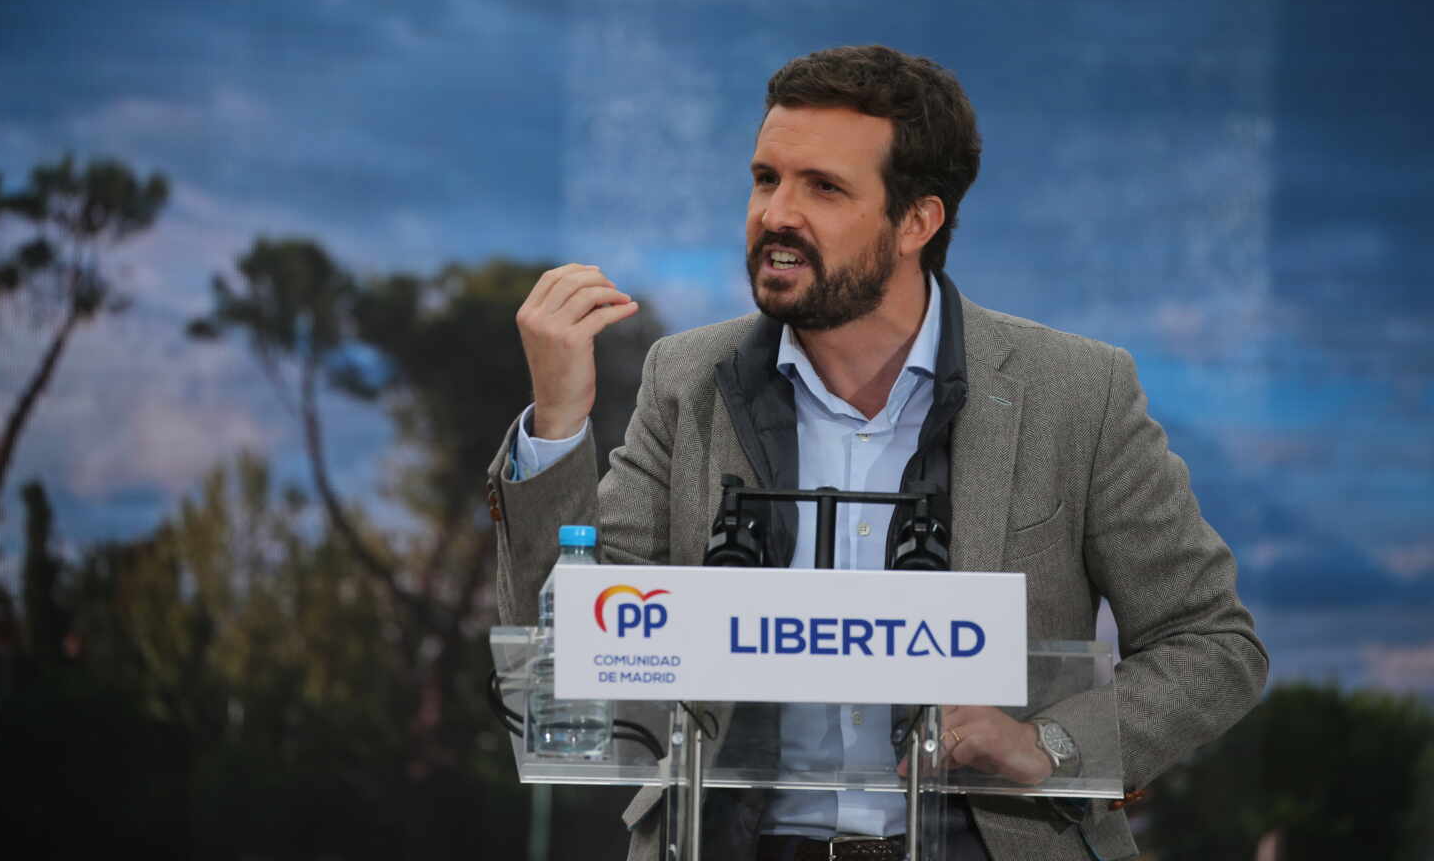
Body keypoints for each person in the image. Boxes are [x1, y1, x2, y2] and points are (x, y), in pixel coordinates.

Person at [487, 45, 1267, 861]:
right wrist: (559, 418)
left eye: (823, 187)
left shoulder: (1077, 391)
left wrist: (1052, 746)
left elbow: (1211, 646)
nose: (776, 214)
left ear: (917, 222)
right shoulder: (687, 380)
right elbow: (569, 656)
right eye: (765, 179)